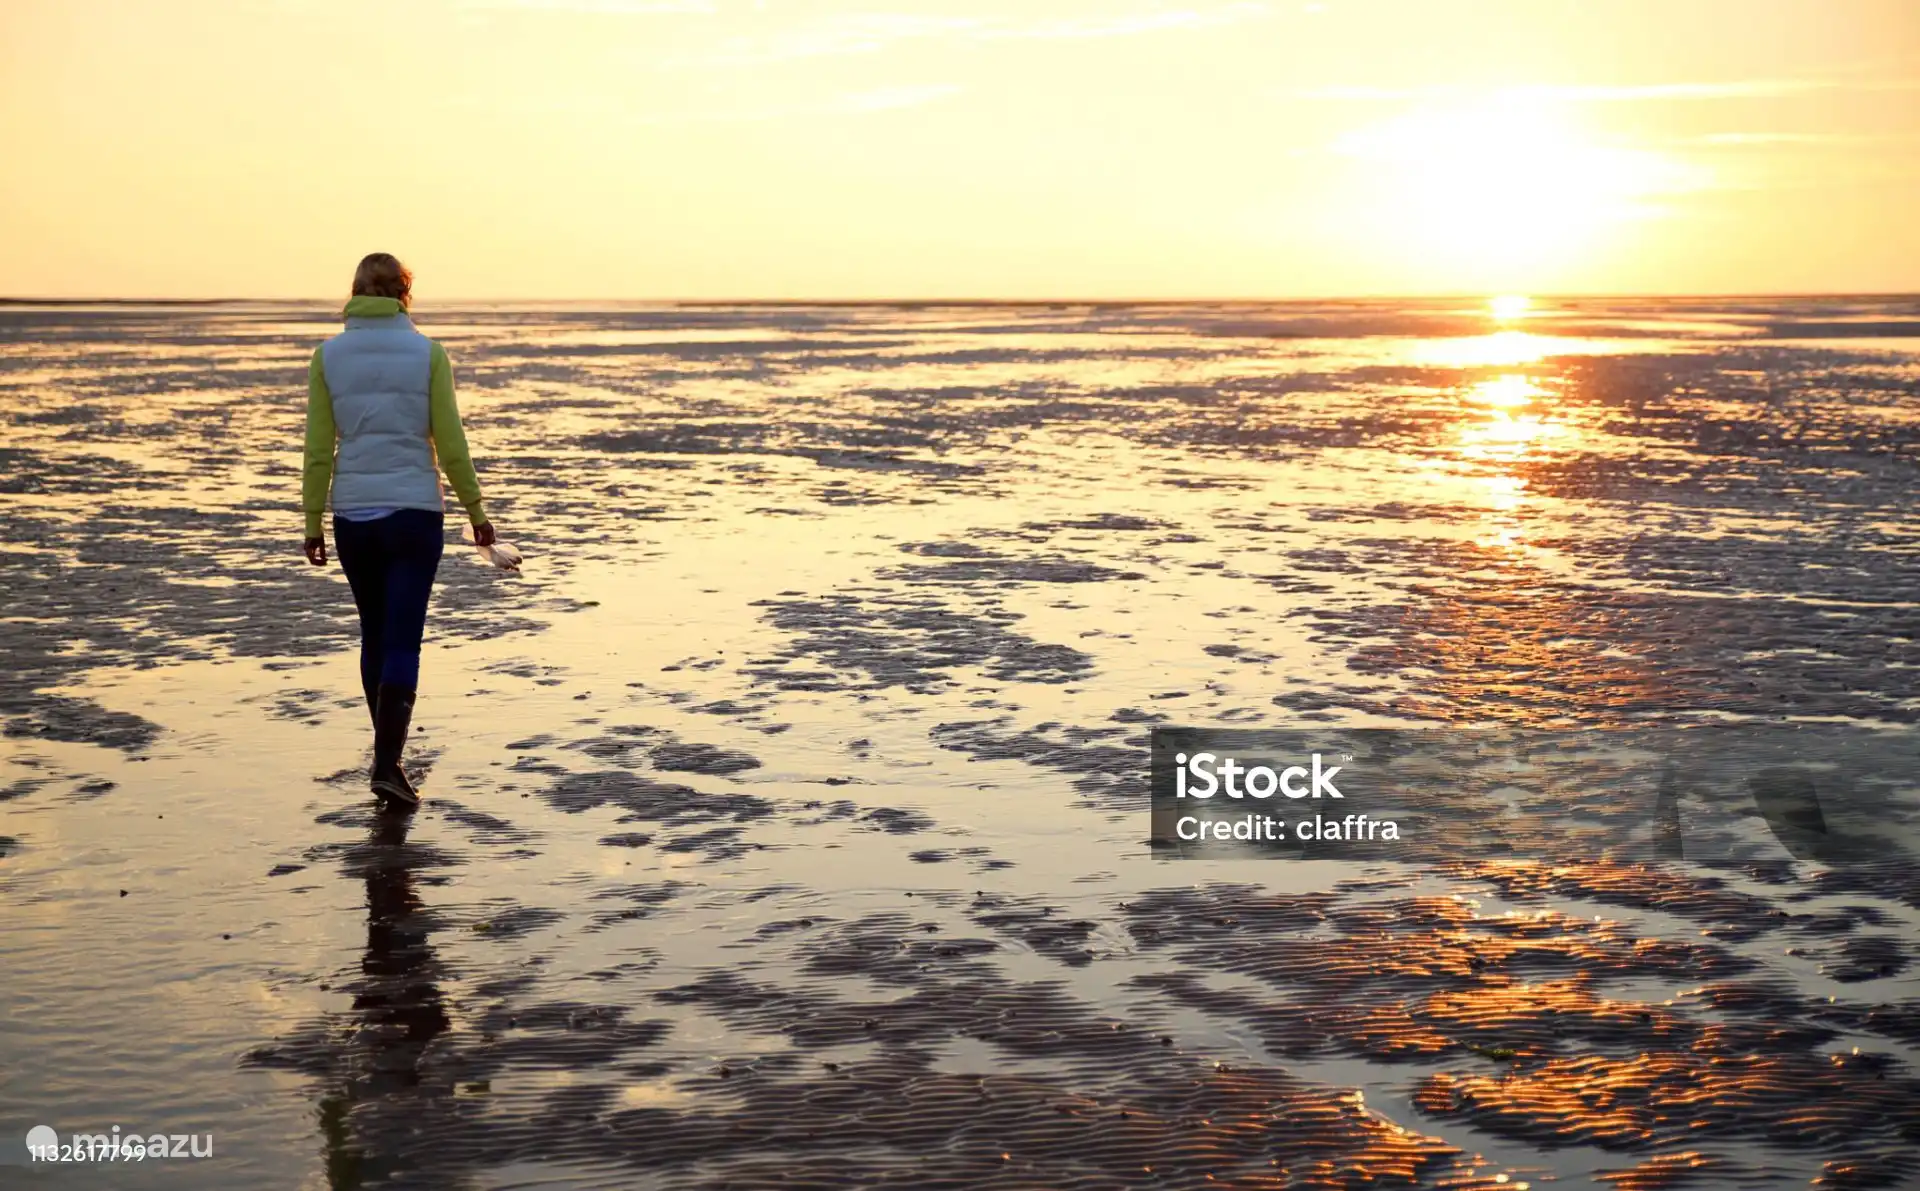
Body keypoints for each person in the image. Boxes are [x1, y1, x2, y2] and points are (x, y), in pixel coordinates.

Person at [300, 253, 495, 809]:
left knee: (375, 634)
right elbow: (450, 443)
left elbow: (319, 449)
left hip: (353, 516)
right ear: (404, 294)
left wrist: (312, 521)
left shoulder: (328, 356)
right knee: (403, 638)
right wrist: (476, 512)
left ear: (356, 292)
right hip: (414, 513)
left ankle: (389, 760)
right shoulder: (428, 353)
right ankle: (387, 764)